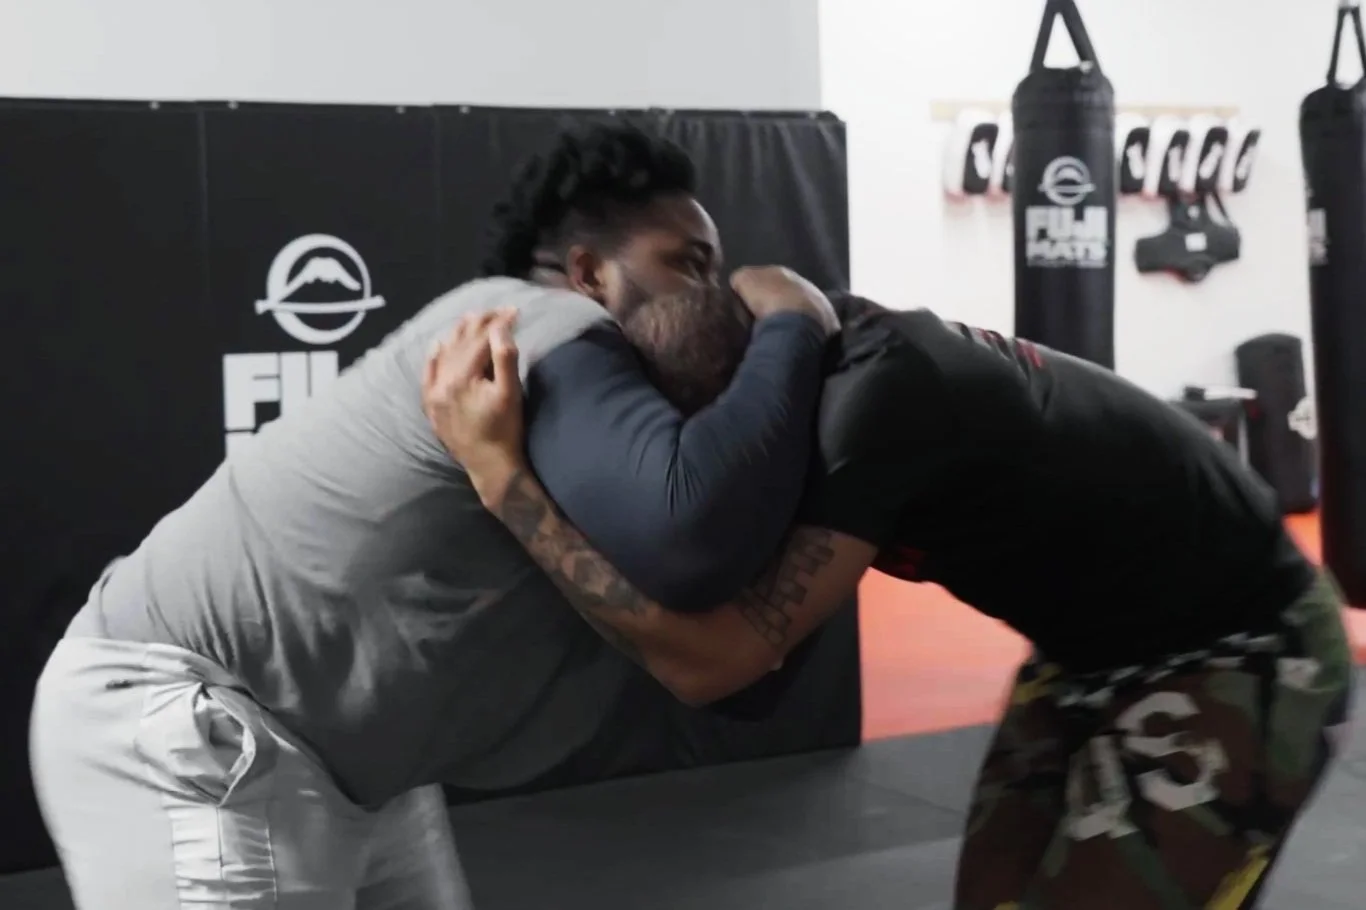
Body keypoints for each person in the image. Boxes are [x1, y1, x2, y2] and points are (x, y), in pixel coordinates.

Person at [28, 121, 838, 909]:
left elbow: (733, 669)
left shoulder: (622, 439)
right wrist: (796, 319)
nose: (713, 297)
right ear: (589, 273)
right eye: (687, 265)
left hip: (363, 771)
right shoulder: (524, 323)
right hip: (194, 722)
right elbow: (692, 532)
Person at [425, 292, 1353, 910]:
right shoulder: (783, 381)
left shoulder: (872, 408)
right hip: (1090, 648)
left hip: (1246, 644)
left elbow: (713, 665)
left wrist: (497, 472)